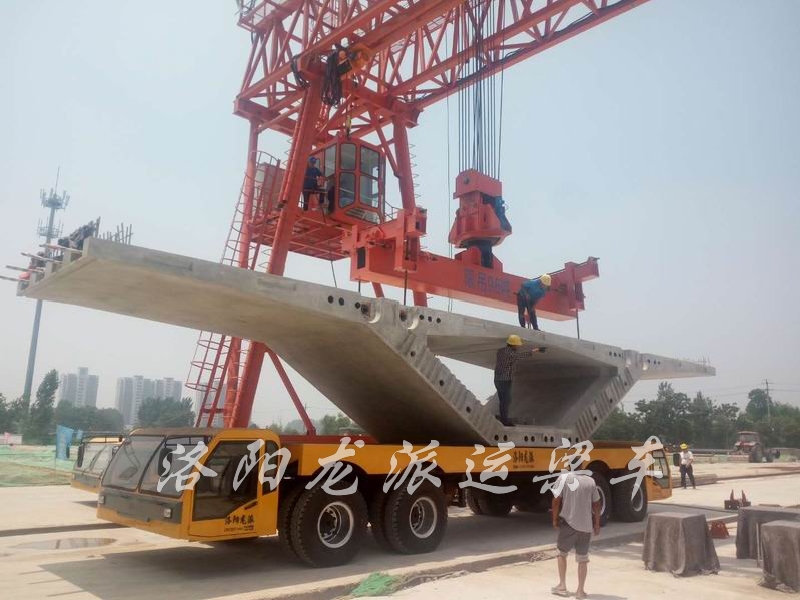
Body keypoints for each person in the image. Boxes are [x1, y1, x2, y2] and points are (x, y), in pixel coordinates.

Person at [551, 470, 602, 599]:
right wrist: (597, 523)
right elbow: (596, 504)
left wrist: (554, 519)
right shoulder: (590, 481)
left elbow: (556, 500)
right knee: (583, 558)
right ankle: (580, 591)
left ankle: (562, 586)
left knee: (561, 553)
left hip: (568, 524)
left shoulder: (563, 478)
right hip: (586, 526)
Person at [493, 334, 544, 426]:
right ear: (513, 345)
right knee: (506, 400)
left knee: (503, 400)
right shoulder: (510, 354)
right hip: (505, 380)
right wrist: (536, 350)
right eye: (517, 345)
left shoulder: (500, 351)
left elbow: (513, 355)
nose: (518, 346)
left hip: (497, 379)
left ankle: (503, 418)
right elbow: (519, 356)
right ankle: (504, 421)